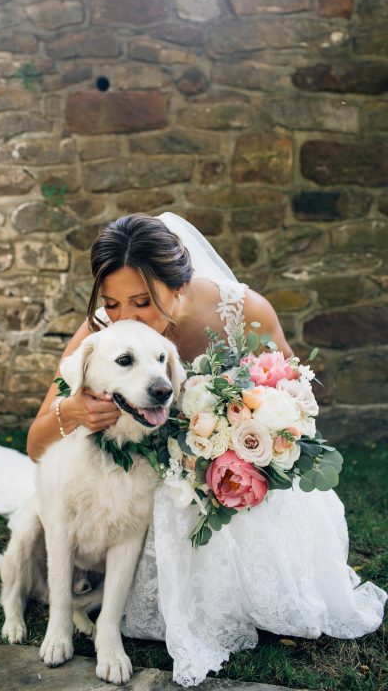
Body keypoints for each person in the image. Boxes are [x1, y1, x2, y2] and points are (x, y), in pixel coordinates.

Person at [27, 212, 386, 687]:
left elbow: (299, 402)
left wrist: (248, 429)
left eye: (142, 302)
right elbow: (35, 444)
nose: (126, 320)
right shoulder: (106, 332)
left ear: (180, 284)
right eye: (113, 304)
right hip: (144, 491)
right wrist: (72, 412)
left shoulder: (244, 311)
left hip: (230, 477)